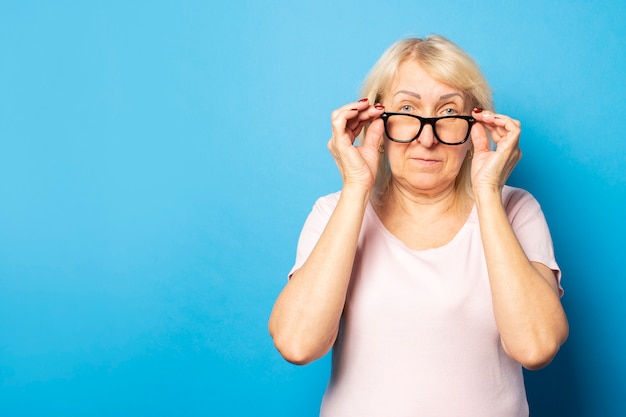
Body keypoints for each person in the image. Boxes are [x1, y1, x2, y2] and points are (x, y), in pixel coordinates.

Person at [268, 35, 568, 417]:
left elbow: (536, 347)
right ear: (377, 120)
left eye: (448, 113)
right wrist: (356, 186)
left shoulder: (515, 209)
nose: (427, 139)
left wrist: (488, 193)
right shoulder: (332, 212)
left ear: (476, 127)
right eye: (408, 110)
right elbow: (297, 344)